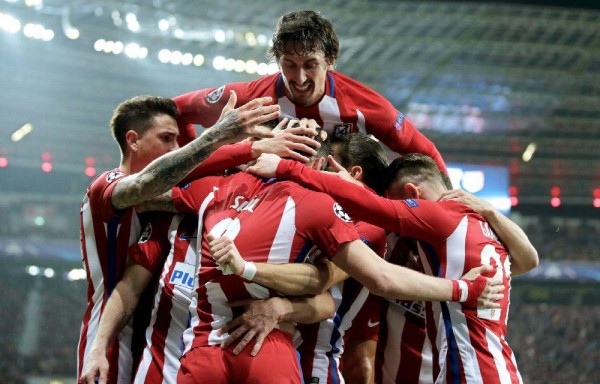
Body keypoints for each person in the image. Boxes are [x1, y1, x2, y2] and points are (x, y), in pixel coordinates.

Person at [247, 152, 538, 383]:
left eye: (400, 202)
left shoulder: (441, 217)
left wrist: (286, 167)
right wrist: (489, 211)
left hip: (468, 369)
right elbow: (529, 260)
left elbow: (370, 207)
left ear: (413, 193)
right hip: (499, 367)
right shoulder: (483, 232)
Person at [79, 115, 325, 384]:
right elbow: (131, 285)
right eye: (256, 145)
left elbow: (326, 297)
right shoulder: (181, 213)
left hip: (249, 362)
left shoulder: (293, 223)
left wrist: (283, 307)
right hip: (164, 369)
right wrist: (98, 348)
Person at [172, 9, 448, 175]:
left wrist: (452, 205)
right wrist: (186, 163)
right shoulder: (250, 97)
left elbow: (427, 155)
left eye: (310, 65)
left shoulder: (365, 105)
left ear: (331, 60)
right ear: (277, 61)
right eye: (289, 65)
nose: (300, 78)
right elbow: (173, 111)